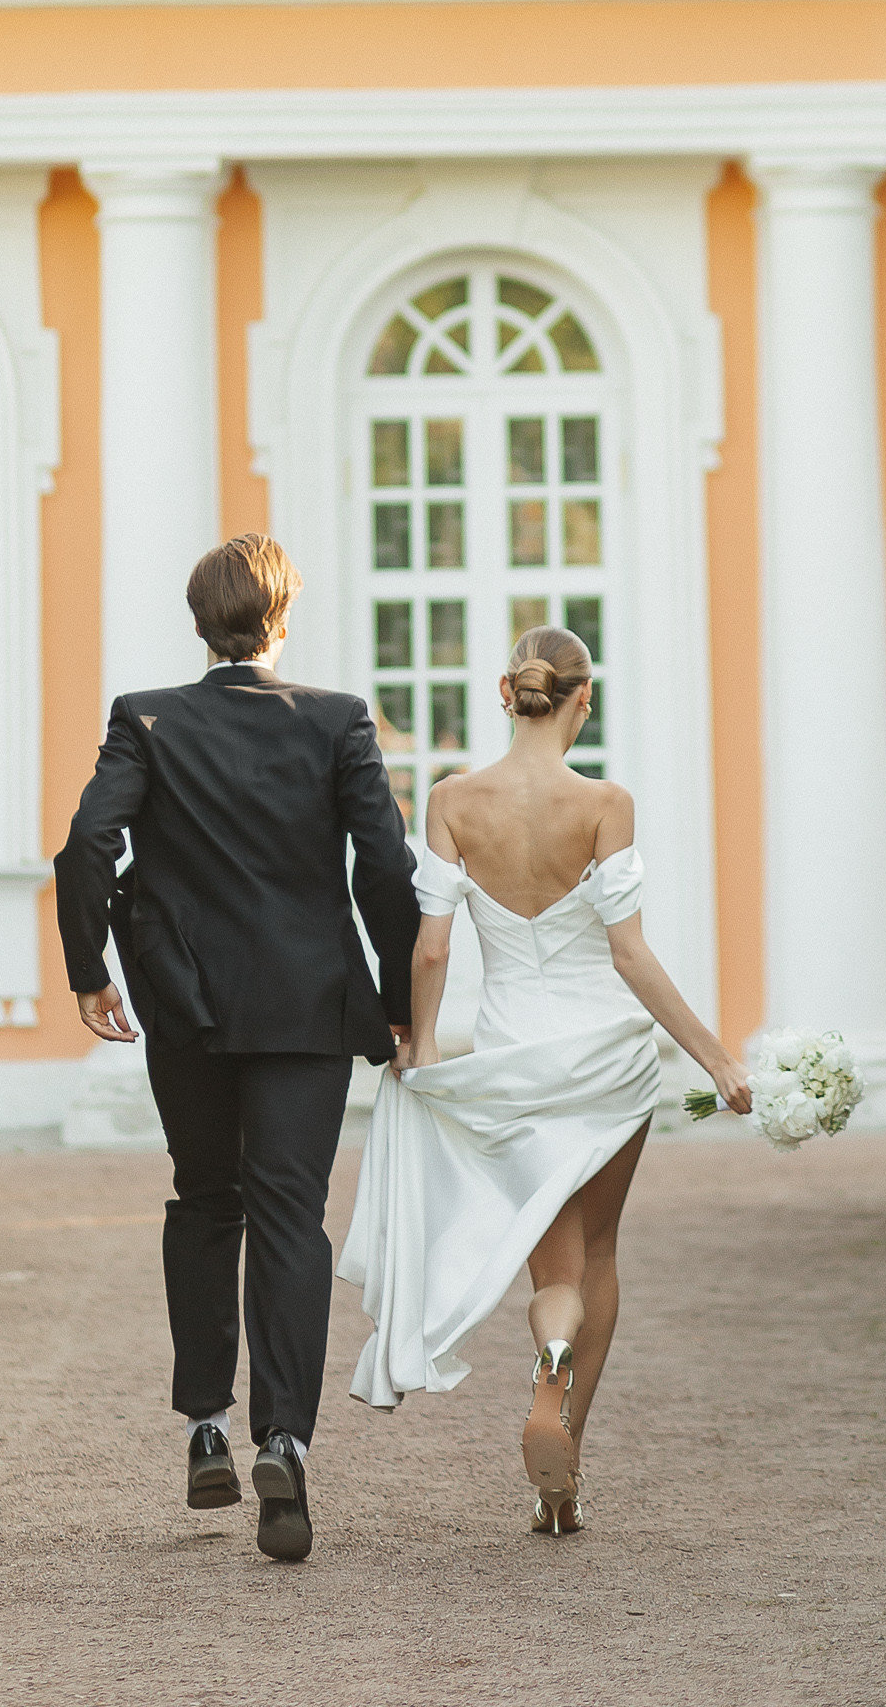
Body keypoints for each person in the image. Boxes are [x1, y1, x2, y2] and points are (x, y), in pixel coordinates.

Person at [53, 533, 419, 1566]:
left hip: (188, 1006)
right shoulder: (339, 720)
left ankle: (207, 1425)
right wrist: (398, 1002)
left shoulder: (146, 717)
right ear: (283, 617)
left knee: (206, 1198)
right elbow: (384, 869)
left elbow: (85, 846)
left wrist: (90, 971)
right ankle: (286, 1442)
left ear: (197, 624)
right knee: (291, 1215)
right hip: (308, 1005)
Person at [338, 622, 752, 1533]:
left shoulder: (452, 800)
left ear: (506, 692)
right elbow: (630, 955)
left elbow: (433, 946)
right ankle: (562, 1442)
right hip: (605, 1059)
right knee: (600, 1252)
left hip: (514, 1062)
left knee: (554, 1262)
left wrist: (424, 1047)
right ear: (583, 699)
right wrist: (716, 1058)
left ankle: (550, 1356)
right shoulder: (606, 803)